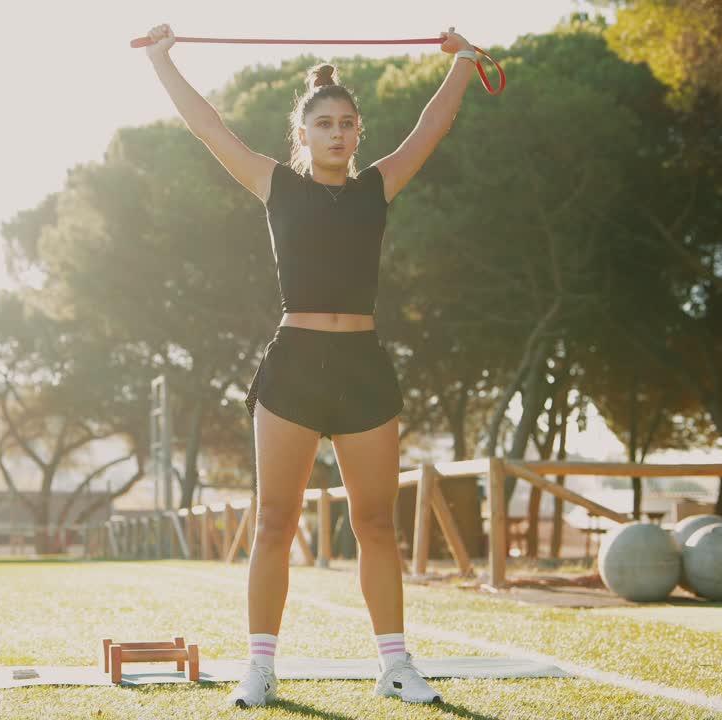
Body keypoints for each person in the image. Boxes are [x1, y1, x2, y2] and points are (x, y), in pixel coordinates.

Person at [143, 22, 478, 708]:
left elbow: (432, 127)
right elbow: (209, 127)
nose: (336, 133)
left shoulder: (375, 189)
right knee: (274, 521)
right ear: (304, 135)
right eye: (323, 123)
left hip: (363, 367)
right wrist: (160, 59)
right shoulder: (277, 188)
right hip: (293, 366)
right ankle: (260, 666)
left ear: (358, 134)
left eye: (347, 124)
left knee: (377, 522)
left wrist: (465, 61)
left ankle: (394, 663)